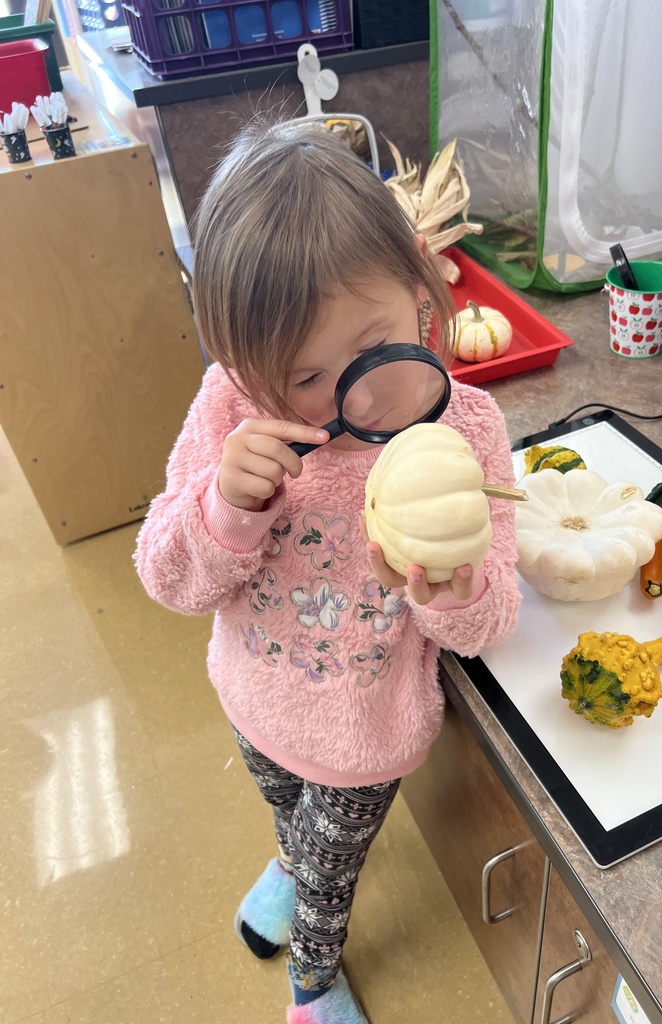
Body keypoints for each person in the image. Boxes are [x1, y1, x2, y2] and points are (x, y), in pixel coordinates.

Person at [134, 118, 521, 1024]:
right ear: (241, 362)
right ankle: (287, 857)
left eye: (375, 343)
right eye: (305, 377)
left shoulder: (464, 431)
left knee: (331, 871)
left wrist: (451, 586)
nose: (354, 396)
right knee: (291, 821)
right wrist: (226, 506)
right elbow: (167, 576)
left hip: (365, 731)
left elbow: (491, 618)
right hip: (250, 697)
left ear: (423, 287)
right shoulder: (232, 406)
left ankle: (312, 979)